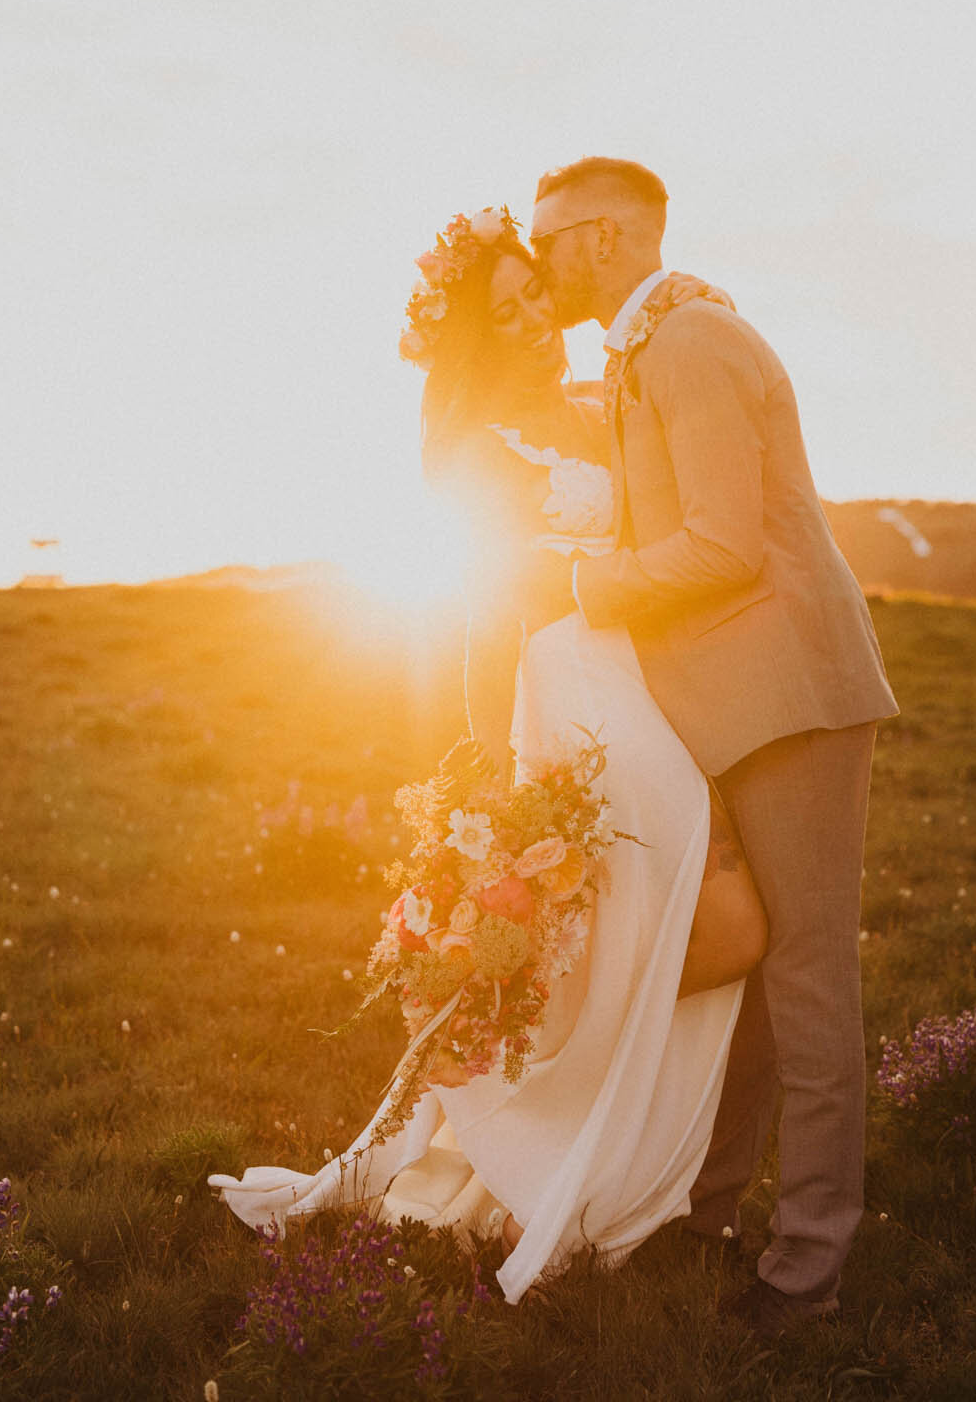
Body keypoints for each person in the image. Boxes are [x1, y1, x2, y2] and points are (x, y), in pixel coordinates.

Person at [210, 206, 767, 1303]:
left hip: (650, 679)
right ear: (474, 334)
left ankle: (582, 1135)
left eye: (535, 301)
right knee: (697, 922)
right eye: (507, 311)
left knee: (669, 927)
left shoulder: (593, 398)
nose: (534, 323)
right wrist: (496, 755)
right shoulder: (475, 443)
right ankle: (557, 1144)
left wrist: (698, 304)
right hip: (571, 689)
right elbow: (481, 599)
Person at [529, 157, 898, 1340]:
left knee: (804, 977)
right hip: (732, 701)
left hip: (789, 690)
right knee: (754, 975)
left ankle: (810, 1267)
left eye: (550, 243)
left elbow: (725, 548)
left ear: (601, 239)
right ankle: (705, 1215)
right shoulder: (654, 347)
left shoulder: (688, 342)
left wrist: (584, 584)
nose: (542, 266)